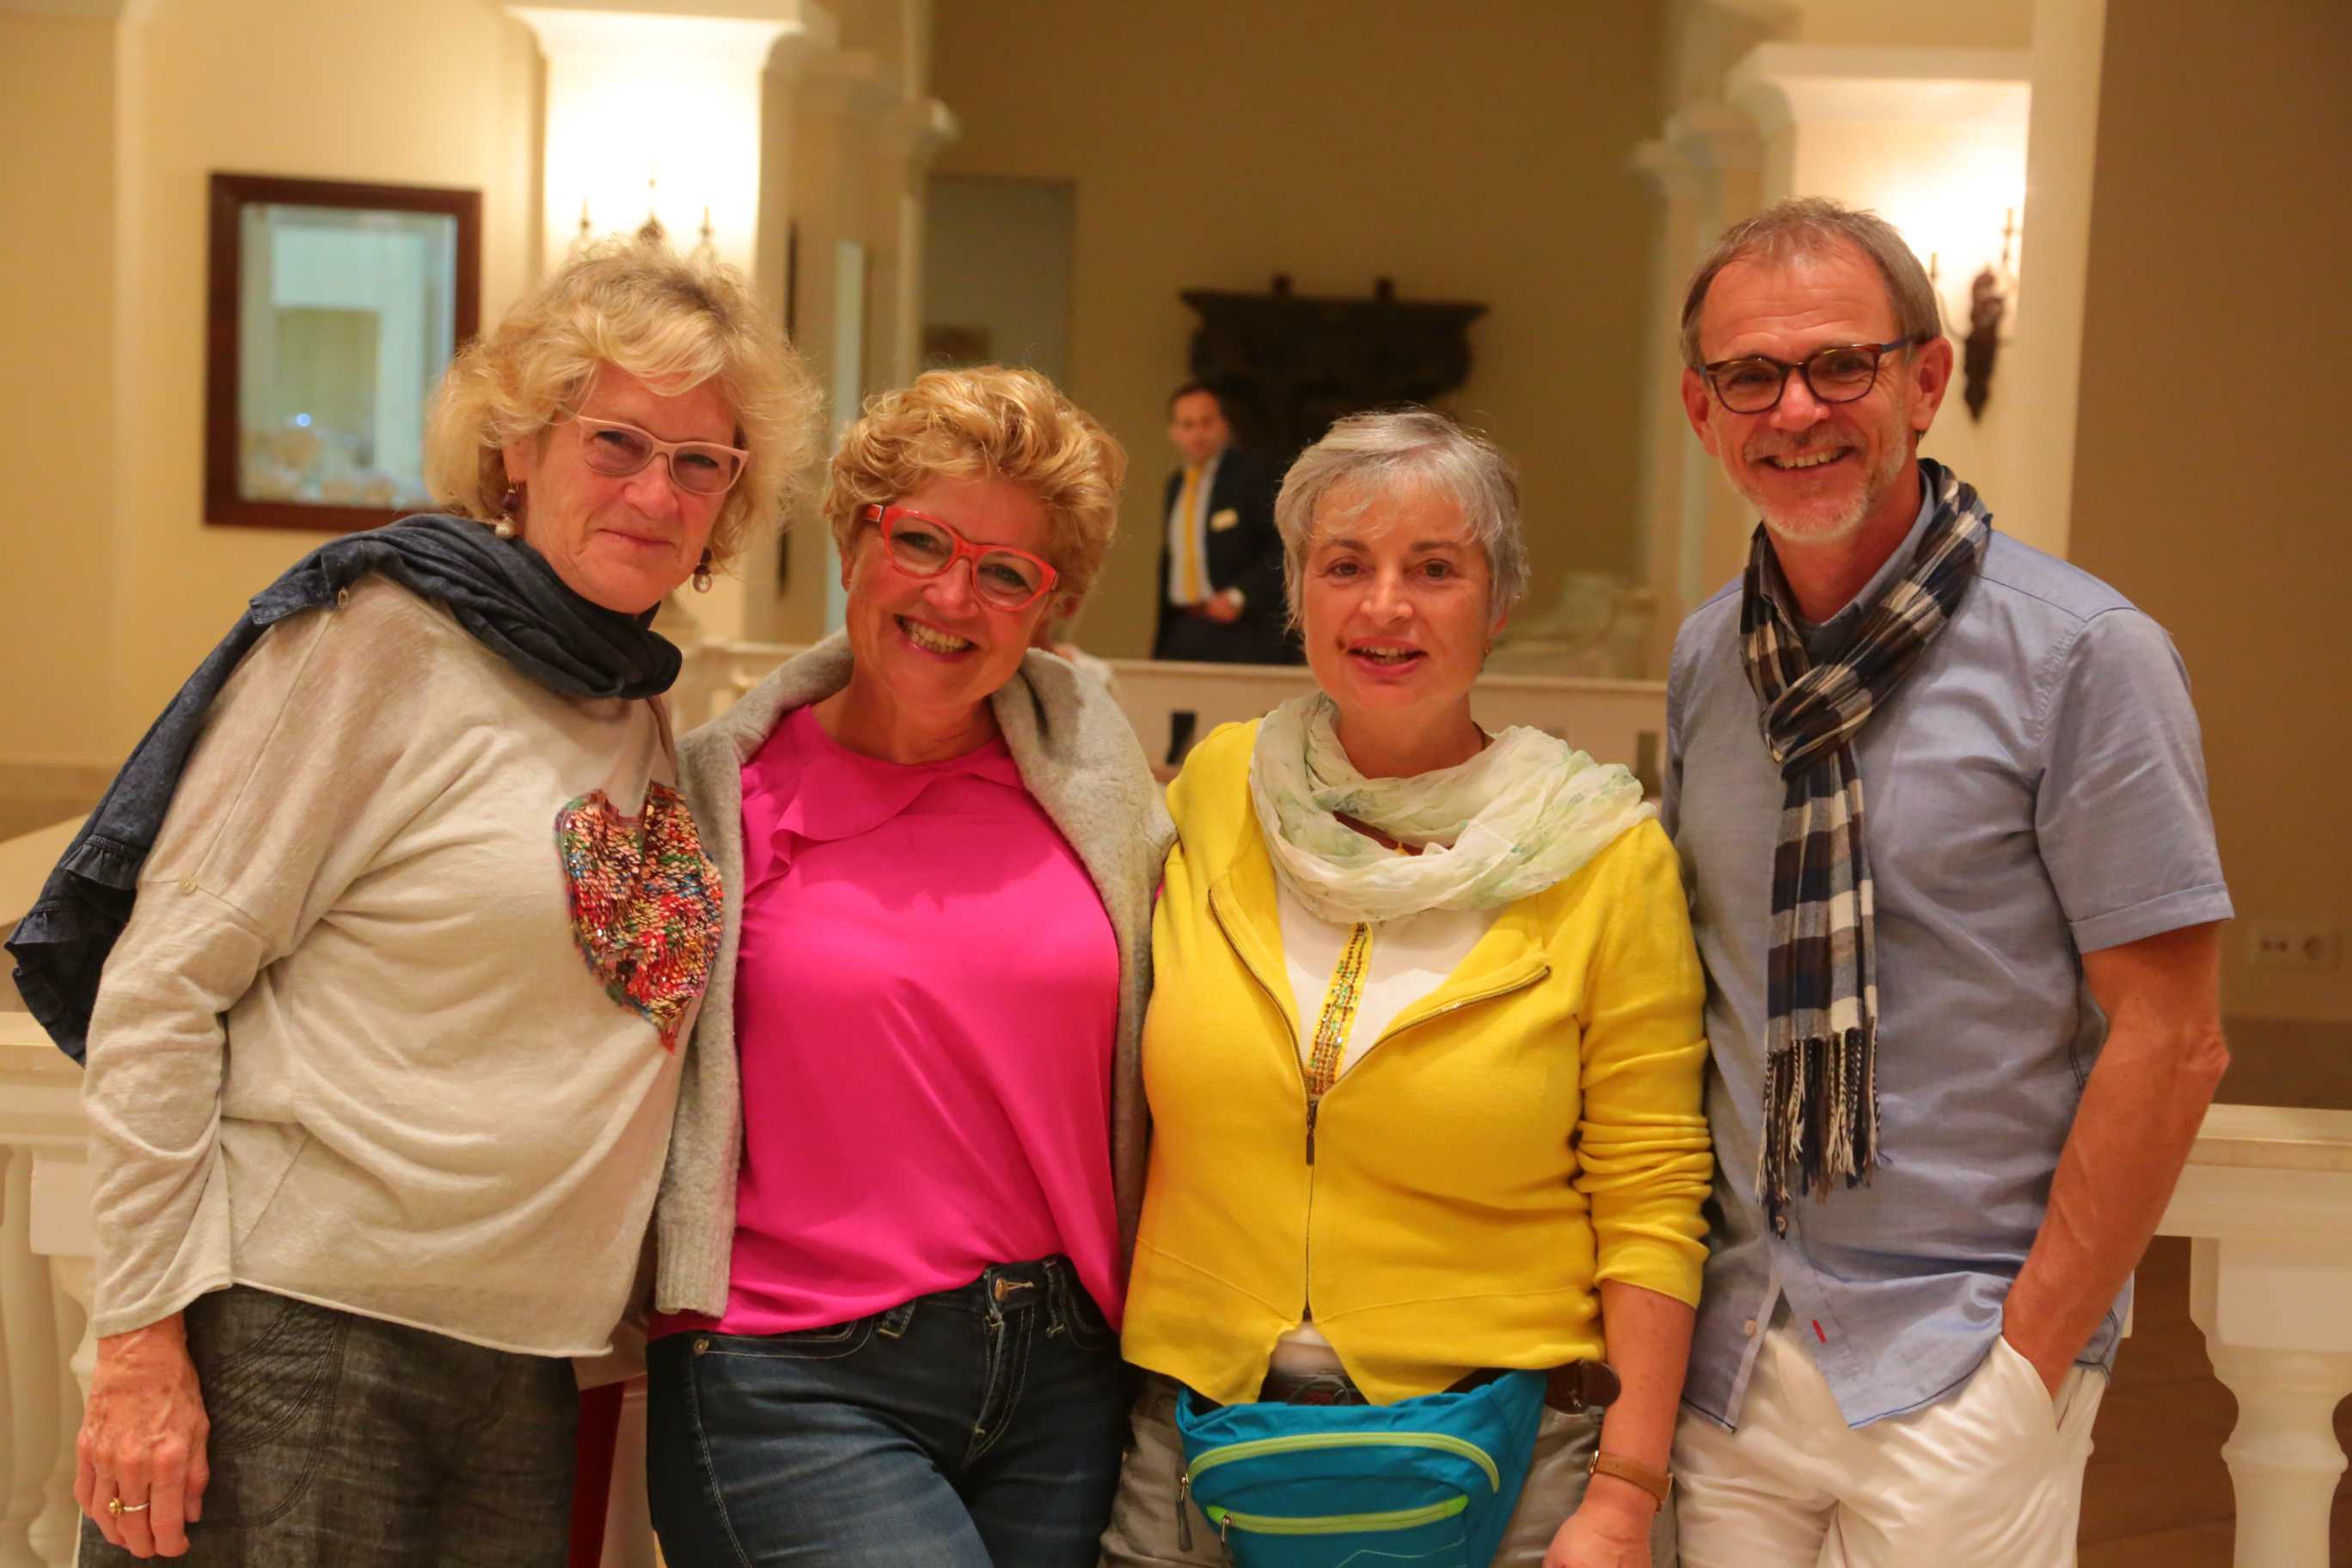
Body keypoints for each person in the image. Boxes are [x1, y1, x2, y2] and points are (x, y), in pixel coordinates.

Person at [3, 239, 820, 1564]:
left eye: (699, 462)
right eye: (615, 441)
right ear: (517, 447)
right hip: (300, 1339)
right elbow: (161, 987)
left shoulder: (633, 701)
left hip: (521, 1372)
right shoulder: (376, 636)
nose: (654, 491)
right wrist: (141, 1344)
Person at [1662, 197, 2233, 1566]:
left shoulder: (2085, 656)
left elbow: (2173, 1037)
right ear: (1702, 411)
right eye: (1752, 376)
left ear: (1924, 380)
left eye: (1839, 364)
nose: (1796, 409)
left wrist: (2029, 1362)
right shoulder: (1708, 662)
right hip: (1734, 1352)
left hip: (1959, 1354)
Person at [1101, 409, 1712, 1568]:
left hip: (1505, 1460)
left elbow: (1652, 1194)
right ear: (1298, 592)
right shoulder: (1220, 792)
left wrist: (1626, 1496)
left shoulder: (1600, 853)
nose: (1386, 607)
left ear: (1499, 598)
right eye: (1346, 565)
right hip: (1198, 1448)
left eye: (1435, 569)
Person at [640, 365, 1172, 1567]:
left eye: (1007, 572)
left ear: (1050, 607)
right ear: (854, 543)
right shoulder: (718, 797)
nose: (952, 596)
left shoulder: (1101, 799)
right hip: (790, 1372)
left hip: (1063, 1382)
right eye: (921, 541)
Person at [1151, 380, 1299, 665]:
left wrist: (1238, 596)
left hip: (1239, 629)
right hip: (1184, 626)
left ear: (1223, 424)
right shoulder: (1176, 484)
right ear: (1174, 432)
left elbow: (1282, 547)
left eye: (1206, 422)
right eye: (1187, 425)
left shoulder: (1251, 476)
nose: (1198, 434)